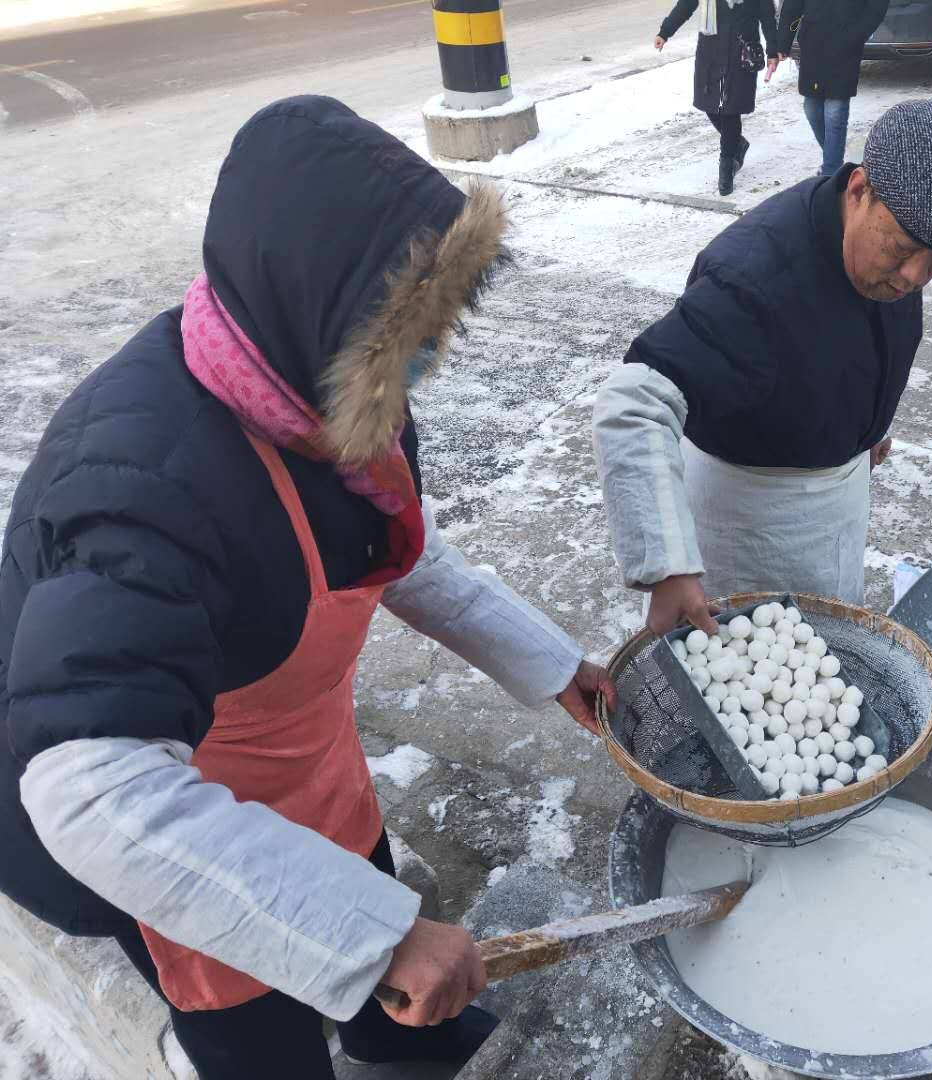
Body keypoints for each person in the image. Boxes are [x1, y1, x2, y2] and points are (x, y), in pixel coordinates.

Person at [0, 96, 615, 1079]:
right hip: (153, 814)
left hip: (292, 757)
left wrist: (553, 667)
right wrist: (371, 941)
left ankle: (391, 1031)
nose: (416, 369)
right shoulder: (142, 489)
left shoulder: (327, 396)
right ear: (312, 314)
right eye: (397, 339)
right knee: (260, 1023)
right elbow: (91, 793)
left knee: (352, 871)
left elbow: (397, 551)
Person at [594, 100, 932, 635]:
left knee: (829, 668)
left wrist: (866, 424)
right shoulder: (754, 280)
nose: (913, 276)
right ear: (859, 190)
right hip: (750, 530)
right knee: (749, 689)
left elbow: (853, 341)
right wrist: (667, 566)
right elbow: (633, 404)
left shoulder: (890, 244)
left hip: (838, 504)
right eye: (905, 250)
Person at [655, 0, 781, 196]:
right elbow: (686, 5)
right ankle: (737, 143)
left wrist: (773, 50)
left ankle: (726, 169)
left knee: (730, 110)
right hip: (710, 52)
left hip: (742, 51)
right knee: (709, 105)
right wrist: (665, 32)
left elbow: (767, 18)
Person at [777, 0, 890, 177]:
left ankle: (831, 172)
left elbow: (877, 7)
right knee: (811, 108)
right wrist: (783, 42)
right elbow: (792, 6)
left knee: (835, 111)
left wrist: (857, 35)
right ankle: (834, 158)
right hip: (813, 44)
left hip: (845, 46)